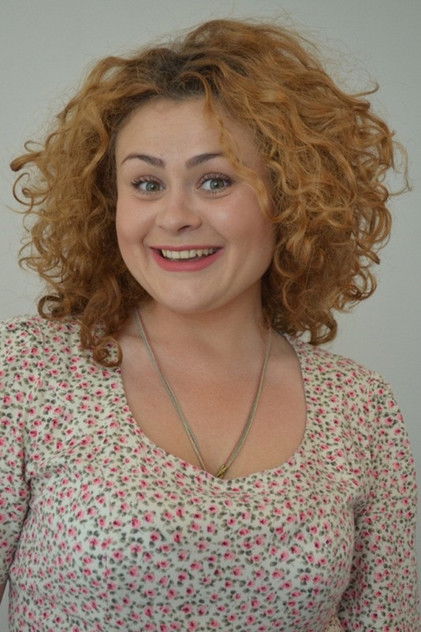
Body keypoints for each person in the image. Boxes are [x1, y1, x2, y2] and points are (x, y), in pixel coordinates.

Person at [0, 17, 419, 632]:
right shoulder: (24, 371)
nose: (175, 216)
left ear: (292, 197)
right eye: (146, 183)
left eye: (215, 181)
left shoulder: (359, 407)